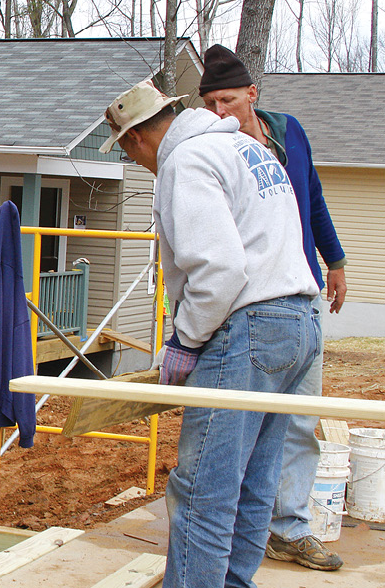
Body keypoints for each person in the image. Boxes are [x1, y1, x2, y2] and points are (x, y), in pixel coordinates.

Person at [99, 81, 320, 588]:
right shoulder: (244, 145)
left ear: (134, 140)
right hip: (299, 322)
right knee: (253, 482)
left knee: (203, 490)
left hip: (250, 328)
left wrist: (186, 341)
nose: (139, 165)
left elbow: (220, 271)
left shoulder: (187, 162)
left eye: (131, 156)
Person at [198, 44, 348, 571]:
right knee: (241, 433)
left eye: (229, 100)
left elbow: (314, 196)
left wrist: (335, 260)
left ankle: (288, 527)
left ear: (252, 95)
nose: (221, 112)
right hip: (249, 307)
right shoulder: (218, 150)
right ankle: (242, 532)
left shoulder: (287, 133)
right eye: (211, 102)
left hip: (299, 297)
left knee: (297, 420)